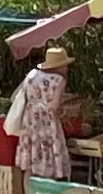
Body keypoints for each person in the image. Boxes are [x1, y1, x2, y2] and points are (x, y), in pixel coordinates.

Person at [15, 47, 75, 180]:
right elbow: (54, 106)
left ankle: (28, 191)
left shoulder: (32, 76)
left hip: (30, 122)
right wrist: (63, 115)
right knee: (49, 157)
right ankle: (46, 189)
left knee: (31, 163)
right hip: (47, 123)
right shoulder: (59, 80)